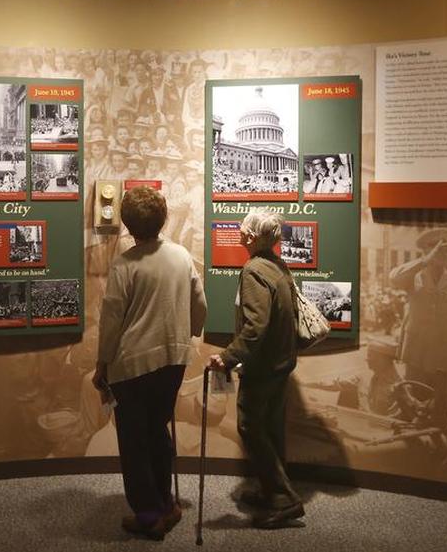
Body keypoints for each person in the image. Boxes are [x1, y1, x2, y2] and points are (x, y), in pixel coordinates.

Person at [92, 187, 207, 540]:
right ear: (164, 218)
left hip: (132, 364)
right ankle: (166, 503)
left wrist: (102, 365)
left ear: (127, 224)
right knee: (157, 429)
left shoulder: (125, 265)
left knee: (134, 439)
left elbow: (112, 320)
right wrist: (189, 332)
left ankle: (148, 514)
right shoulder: (181, 255)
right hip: (173, 359)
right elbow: (199, 305)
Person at [208, 210, 304, 529]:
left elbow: (255, 327)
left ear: (250, 236)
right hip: (280, 362)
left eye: (242, 227)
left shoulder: (253, 270)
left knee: (250, 426)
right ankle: (271, 491)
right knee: (271, 429)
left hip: (263, 366)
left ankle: (284, 499)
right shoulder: (276, 264)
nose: (239, 230)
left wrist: (228, 357)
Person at [389, 228, 447, 428]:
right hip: (416, 354)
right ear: (426, 251)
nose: (444, 254)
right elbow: (394, 278)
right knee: (412, 408)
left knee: (439, 413)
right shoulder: (413, 277)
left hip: (443, 358)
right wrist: (425, 261)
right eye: (438, 250)